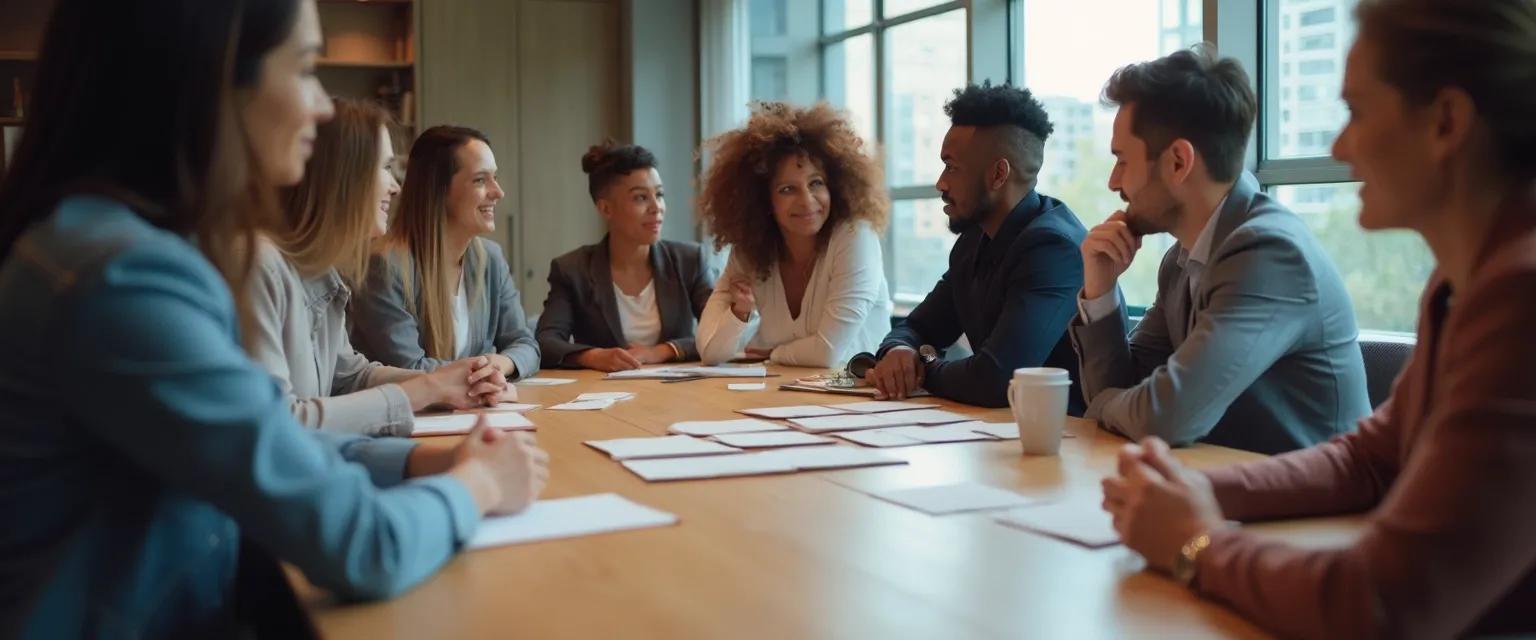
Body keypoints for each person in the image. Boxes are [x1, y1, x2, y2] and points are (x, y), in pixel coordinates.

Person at [0, 0, 549, 637]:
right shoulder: (124, 279)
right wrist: (480, 483)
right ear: (214, 77)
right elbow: (363, 545)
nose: (322, 107)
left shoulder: (109, 248)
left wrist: (425, 461)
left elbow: (266, 432)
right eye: (307, 68)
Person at [1102, 1, 1536, 637]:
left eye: (1356, 112)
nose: (1337, 146)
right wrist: (1203, 496)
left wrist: (1195, 543)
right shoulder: (1460, 282)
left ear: (1446, 121)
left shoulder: (1519, 296)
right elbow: (1369, 458)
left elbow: (1381, 606)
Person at [1071, 46, 1369, 454]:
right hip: (1221, 482)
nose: (1113, 182)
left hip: (1313, 493)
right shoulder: (1180, 262)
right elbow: (1128, 394)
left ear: (1179, 162)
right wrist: (1101, 292)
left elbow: (1162, 417)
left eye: (1122, 160)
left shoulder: (1269, 254)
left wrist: (1108, 405)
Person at [248, 98, 514, 436]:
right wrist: (427, 389)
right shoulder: (261, 269)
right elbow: (279, 425)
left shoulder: (320, 272)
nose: (396, 186)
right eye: (385, 167)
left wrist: (446, 381)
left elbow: (350, 376)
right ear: (343, 176)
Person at [869, 82, 1087, 409]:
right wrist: (900, 350)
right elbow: (917, 327)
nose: (941, 183)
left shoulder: (1053, 249)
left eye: (951, 167)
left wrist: (921, 368)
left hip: (1072, 435)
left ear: (998, 174)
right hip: (1004, 431)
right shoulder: (974, 242)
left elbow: (995, 380)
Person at [695, 102, 892, 368]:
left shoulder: (855, 237)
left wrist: (773, 353)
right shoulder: (751, 251)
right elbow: (710, 352)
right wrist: (739, 313)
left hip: (860, 391)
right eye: (787, 189)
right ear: (763, 200)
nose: (807, 200)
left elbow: (827, 353)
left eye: (816, 183)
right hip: (783, 391)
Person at [351, 125, 541, 380]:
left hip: (474, 401)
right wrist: (481, 374)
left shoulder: (491, 259)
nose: (498, 192)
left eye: (495, 177)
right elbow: (409, 368)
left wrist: (500, 364)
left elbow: (526, 344)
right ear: (437, 189)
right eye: (480, 180)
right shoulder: (385, 266)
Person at [536, 141, 715, 371]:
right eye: (641, 197)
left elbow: (719, 333)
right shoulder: (573, 270)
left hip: (678, 389)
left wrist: (661, 351)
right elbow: (545, 342)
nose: (657, 207)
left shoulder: (689, 260)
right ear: (605, 209)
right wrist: (593, 357)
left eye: (659, 194)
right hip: (602, 389)